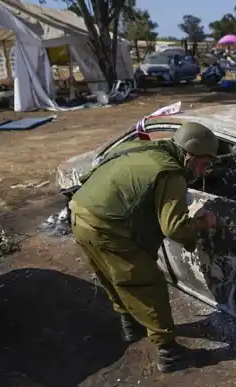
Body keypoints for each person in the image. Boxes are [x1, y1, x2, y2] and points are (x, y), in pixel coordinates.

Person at [69, 122, 218, 373]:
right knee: (148, 284)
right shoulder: (171, 174)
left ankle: (130, 324)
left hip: (79, 213)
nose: (204, 172)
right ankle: (169, 353)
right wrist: (203, 223)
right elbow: (174, 228)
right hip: (106, 227)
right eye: (203, 164)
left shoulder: (138, 147)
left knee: (114, 277)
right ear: (188, 156)